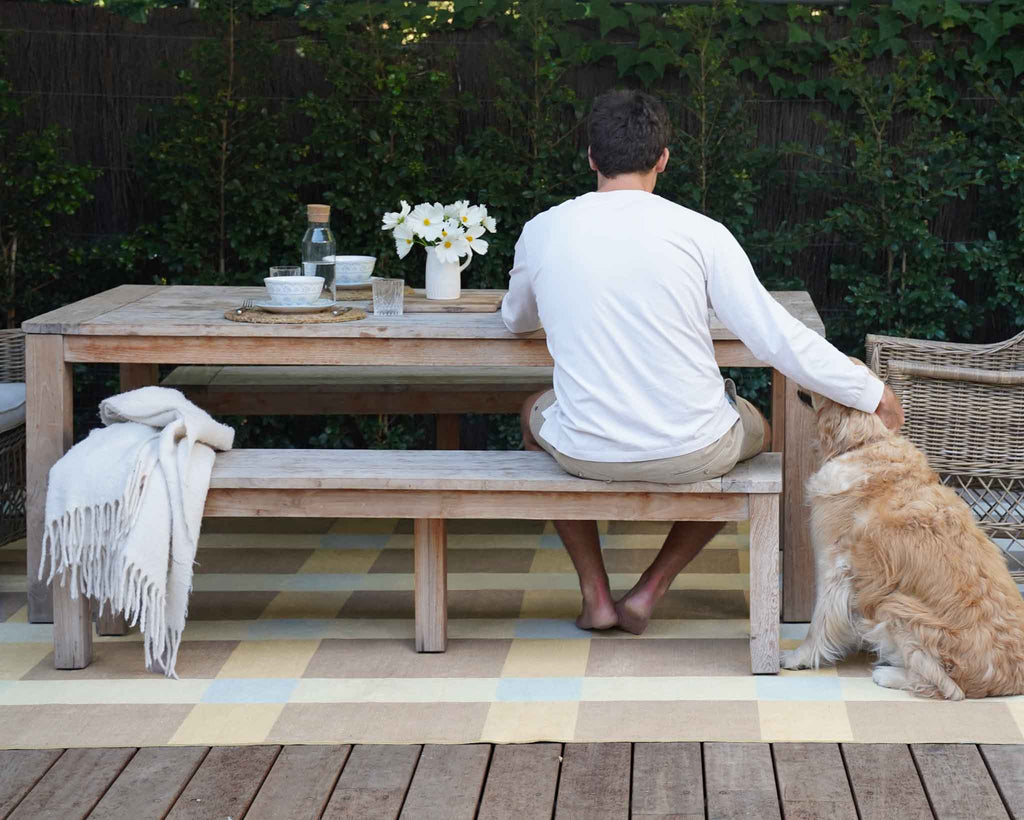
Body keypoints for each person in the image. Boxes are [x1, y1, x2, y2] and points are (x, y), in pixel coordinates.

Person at [500, 89, 904, 635]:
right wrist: (866, 390)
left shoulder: (543, 230)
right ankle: (650, 588)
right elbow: (773, 334)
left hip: (584, 451)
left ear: (591, 157)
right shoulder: (700, 233)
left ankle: (595, 594)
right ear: (663, 158)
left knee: (533, 410)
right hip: (694, 451)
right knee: (755, 427)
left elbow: (517, 320)